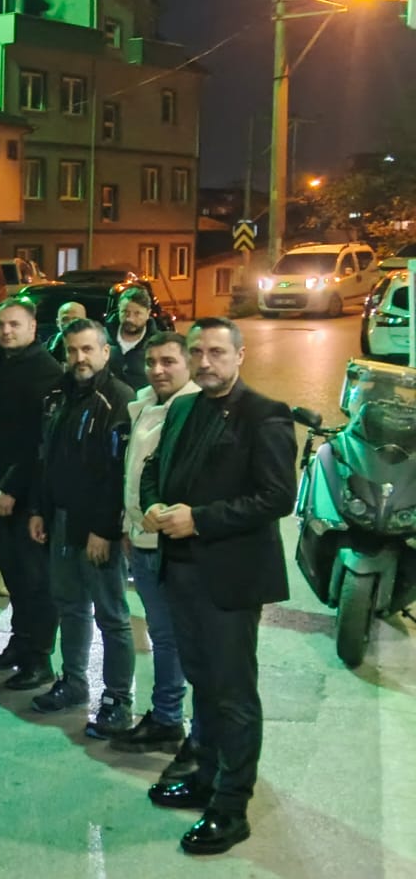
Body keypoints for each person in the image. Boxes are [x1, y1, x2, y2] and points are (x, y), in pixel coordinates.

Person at [140, 317, 295, 856]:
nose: (205, 362)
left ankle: (232, 806)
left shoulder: (265, 414)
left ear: (239, 356)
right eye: (197, 352)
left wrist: (200, 519)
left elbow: (277, 497)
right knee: (203, 684)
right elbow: (155, 468)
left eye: (217, 352)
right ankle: (205, 777)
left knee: (232, 694)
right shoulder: (183, 407)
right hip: (180, 569)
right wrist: (154, 504)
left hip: (229, 578)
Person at [27, 319, 136, 736]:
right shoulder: (58, 396)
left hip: (96, 527)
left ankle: (118, 699)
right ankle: (73, 682)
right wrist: (40, 509)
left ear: (106, 352)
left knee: (112, 615)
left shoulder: (119, 399)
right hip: (61, 520)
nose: (79, 358)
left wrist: (104, 529)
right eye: (72, 350)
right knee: (70, 606)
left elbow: (117, 473)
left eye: (88, 349)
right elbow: (46, 457)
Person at [115, 331, 200, 767]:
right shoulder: (145, 403)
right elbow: (134, 474)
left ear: (188, 364)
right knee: (163, 634)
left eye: (168, 361)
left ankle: (178, 723)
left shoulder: (195, 409)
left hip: (172, 545)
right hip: (141, 537)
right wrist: (127, 526)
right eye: (151, 362)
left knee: (177, 638)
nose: (158, 370)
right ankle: (166, 716)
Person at [0, 297, 65, 691]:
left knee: (35, 580)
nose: (6, 331)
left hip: (29, 495)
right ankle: (20, 643)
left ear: (33, 328)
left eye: (15, 324)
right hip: (2, 489)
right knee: (13, 572)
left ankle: (39, 659)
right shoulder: (5, 363)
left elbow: (38, 442)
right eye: (2, 325)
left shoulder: (44, 372)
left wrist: (12, 488)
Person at [109, 287, 154, 390]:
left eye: (137, 313)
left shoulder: (157, 343)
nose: (130, 319)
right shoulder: (102, 338)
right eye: (125, 312)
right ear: (119, 310)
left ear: (148, 313)